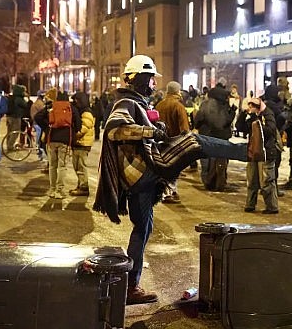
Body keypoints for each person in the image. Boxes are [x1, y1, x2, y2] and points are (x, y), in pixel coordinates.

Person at [93, 55, 247, 305]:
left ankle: (131, 286)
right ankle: (245, 151)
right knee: (192, 142)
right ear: (140, 79)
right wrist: (150, 131)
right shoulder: (126, 102)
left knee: (143, 228)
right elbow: (114, 129)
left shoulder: (138, 102)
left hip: (139, 176)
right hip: (141, 172)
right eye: (151, 78)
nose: (154, 83)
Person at [236, 97, 279, 214]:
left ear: (257, 107)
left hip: (266, 152)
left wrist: (257, 124)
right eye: (249, 107)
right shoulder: (252, 117)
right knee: (252, 180)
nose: (250, 109)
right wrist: (243, 114)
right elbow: (240, 127)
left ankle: (272, 206)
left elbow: (271, 130)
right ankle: (250, 204)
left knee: (266, 180)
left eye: (252, 107)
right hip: (253, 151)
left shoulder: (267, 114)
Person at [35, 91, 80, 199]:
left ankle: (52, 189)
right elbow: (78, 124)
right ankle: (59, 191)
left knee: (52, 165)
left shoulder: (51, 107)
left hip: (51, 139)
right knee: (62, 166)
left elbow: (37, 117)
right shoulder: (71, 108)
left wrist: (47, 127)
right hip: (65, 140)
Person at [193, 81, 236, 191]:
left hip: (207, 135)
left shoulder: (205, 104)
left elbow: (198, 119)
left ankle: (208, 181)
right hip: (222, 137)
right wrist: (233, 112)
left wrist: (197, 126)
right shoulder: (224, 106)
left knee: (208, 159)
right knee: (221, 161)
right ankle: (219, 182)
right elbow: (227, 121)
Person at [154, 80, 189, 203]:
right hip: (175, 141)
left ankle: (170, 191)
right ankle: (169, 193)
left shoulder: (159, 105)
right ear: (176, 91)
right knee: (174, 167)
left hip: (160, 141)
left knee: (164, 167)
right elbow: (184, 127)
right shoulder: (178, 106)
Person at [69, 91, 95, 197]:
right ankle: (80, 185)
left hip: (83, 143)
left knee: (81, 165)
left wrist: (73, 137)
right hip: (79, 143)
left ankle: (84, 187)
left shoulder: (86, 112)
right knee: (76, 165)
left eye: (77, 100)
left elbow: (84, 128)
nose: (75, 102)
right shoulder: (81, 111)